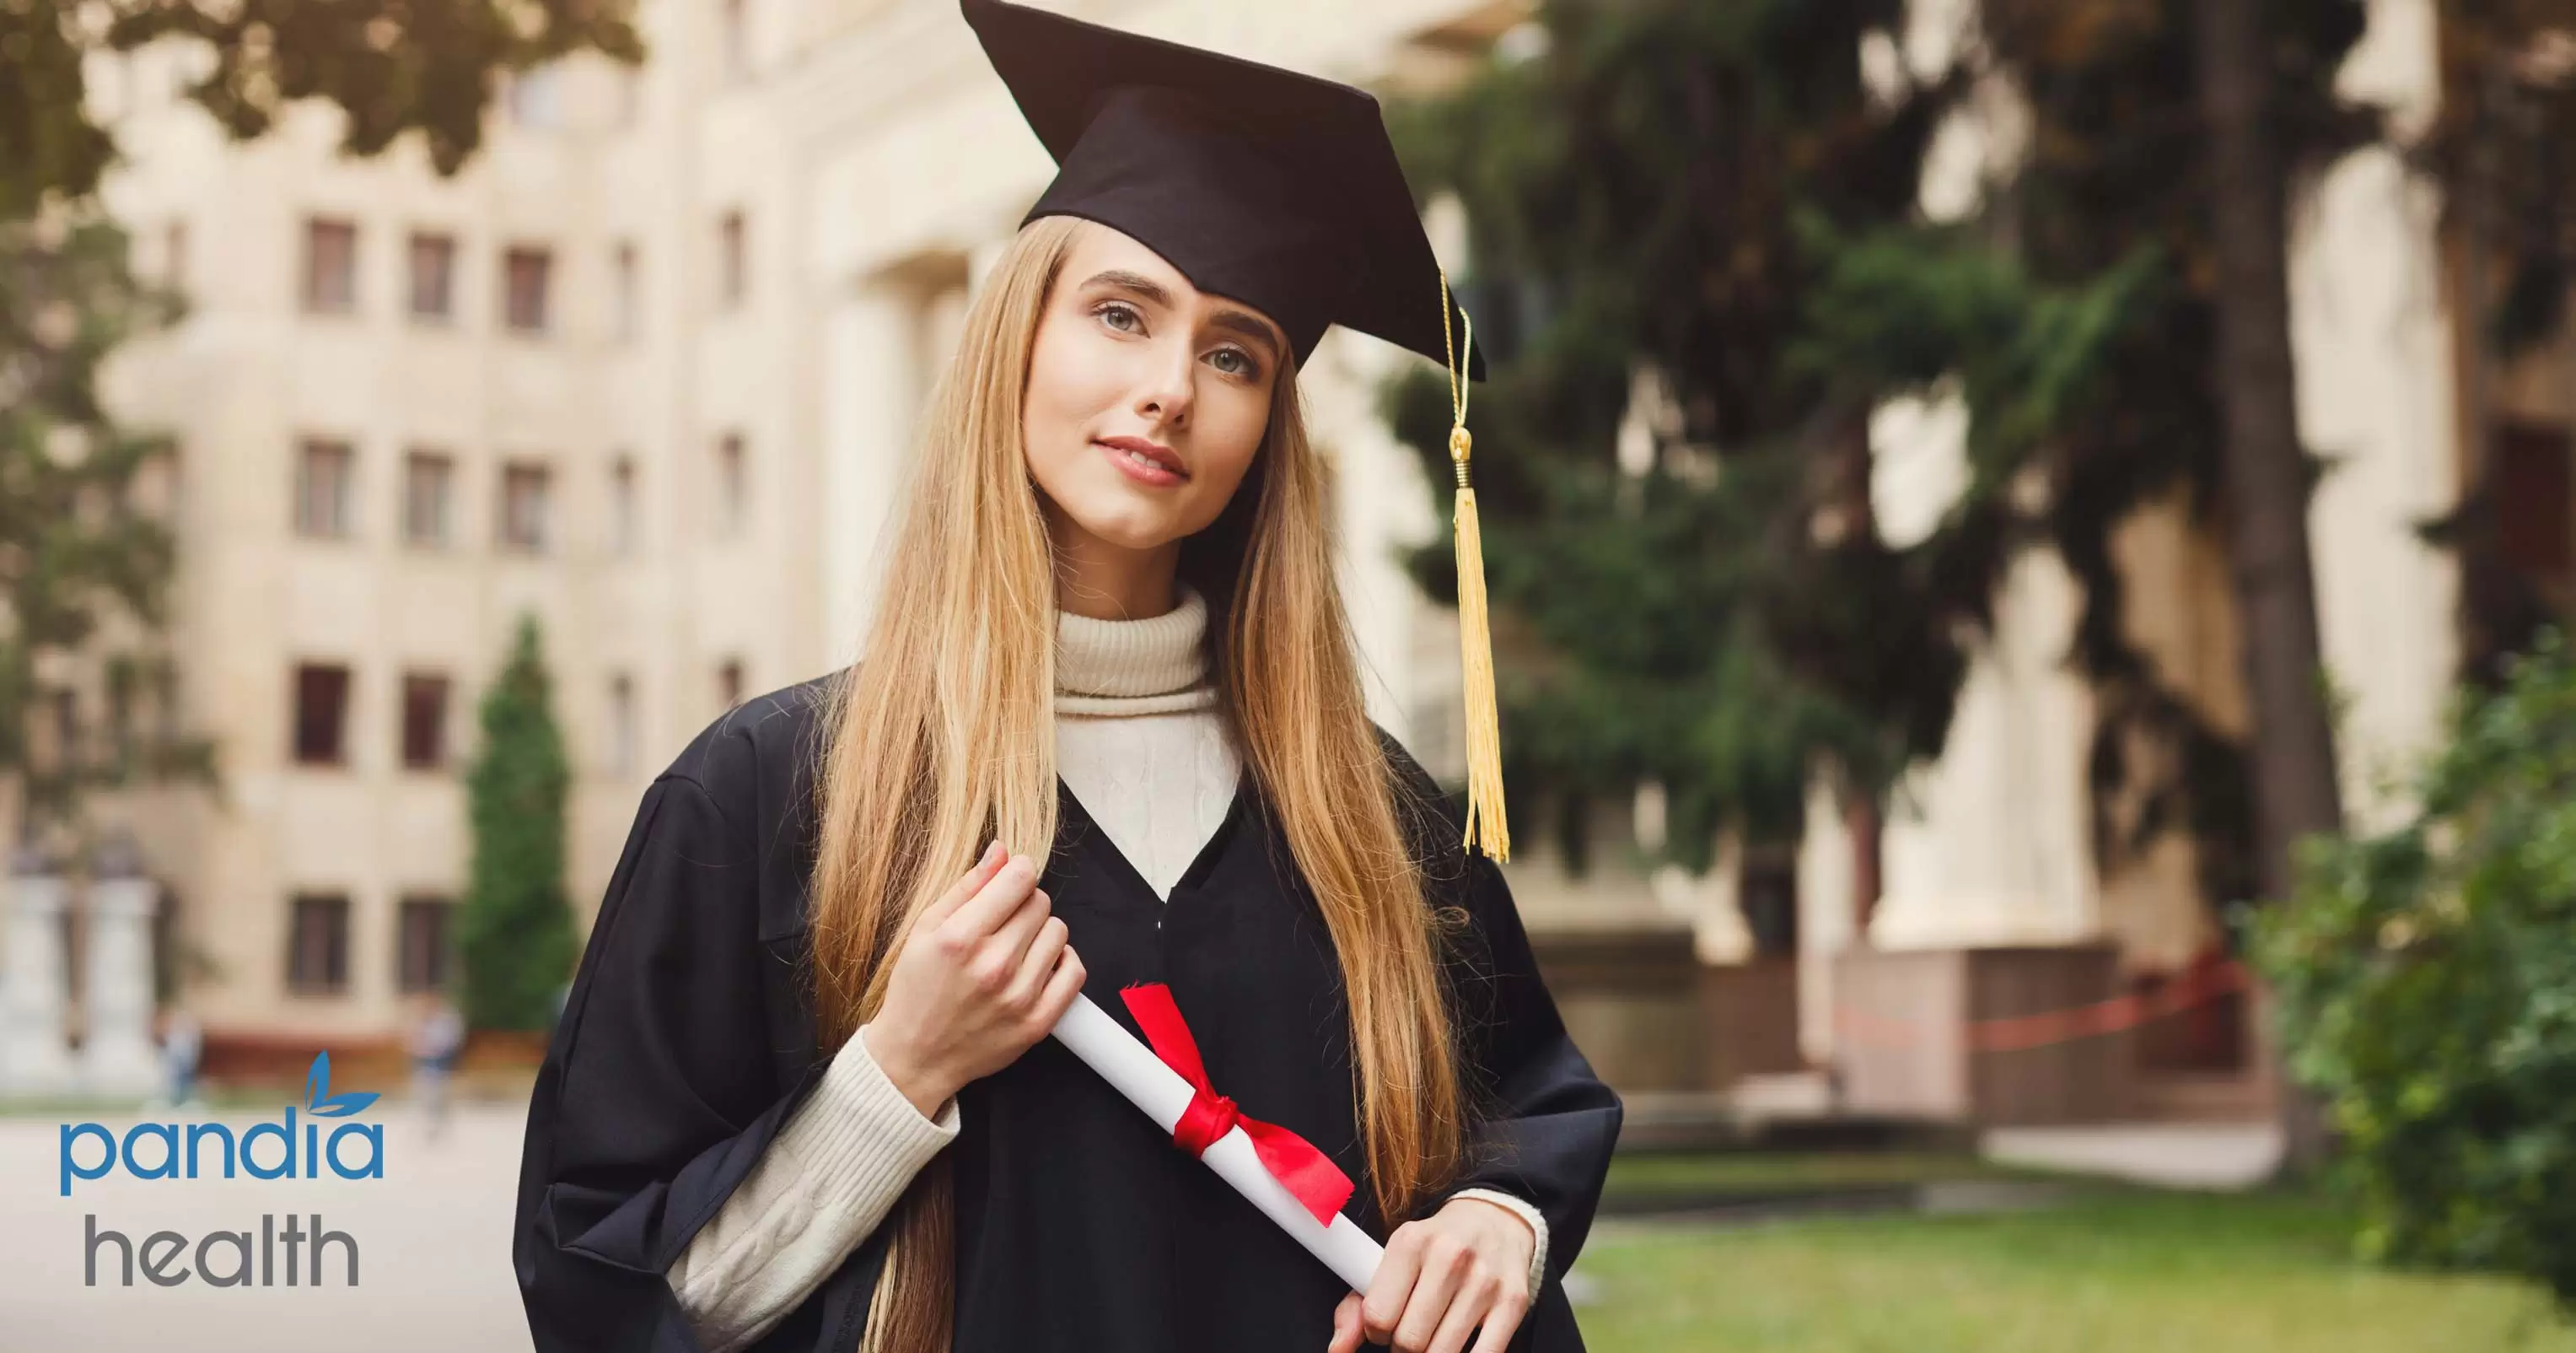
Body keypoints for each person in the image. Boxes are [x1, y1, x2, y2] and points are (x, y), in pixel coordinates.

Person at [511, 3, 1621, 1351]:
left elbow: (1518, 1114)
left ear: (1267, 426)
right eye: (1118, 313)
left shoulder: (1367, 814)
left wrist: (1493, 1223)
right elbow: (620, 1298)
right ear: (1015, 343)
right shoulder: (768, 796)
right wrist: (896, 1074)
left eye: (1232, 354)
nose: (1168, 388)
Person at [411, 995, 465, 1142]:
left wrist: (432, 1048)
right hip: (425, 1066)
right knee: (426, 1098)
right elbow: (415, 1044)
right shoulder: (422, 1024)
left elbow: (448, 1042)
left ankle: (441, 1129)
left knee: (441, 1098)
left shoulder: (444, 1023)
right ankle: (428, 1128)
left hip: (440, 1065)